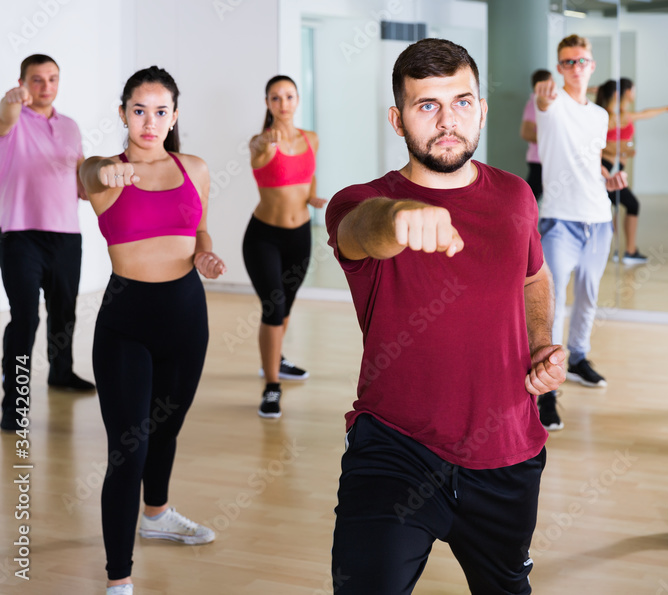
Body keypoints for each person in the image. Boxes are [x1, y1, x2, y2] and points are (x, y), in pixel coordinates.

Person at [326, 38, 564, 594]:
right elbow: (359, 231)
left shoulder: (515, 197)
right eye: (426, 105)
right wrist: (399, 214)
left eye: (461, 102)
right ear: (398, 119)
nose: (447, 120)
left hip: (507, 450)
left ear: (481, 109)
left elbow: (534, 276)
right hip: (395, 448)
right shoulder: (360, 201)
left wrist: (540, 343)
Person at [79, 66, 224, 595]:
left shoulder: (195, 167)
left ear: (174, 116)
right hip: (126, 323)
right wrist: (103, 169)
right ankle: (120, 580)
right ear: (123, 114)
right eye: (139, 110)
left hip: (187, 315)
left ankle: (157, 514)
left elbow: (200, 221)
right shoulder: (108, 174)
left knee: (166, 428)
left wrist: (205, 249)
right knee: (129, 449)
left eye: (161, 111)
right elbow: (86, 174)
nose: (149, 121)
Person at [533, 35, 627, 431]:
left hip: (599, 220)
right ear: (558, 68)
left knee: (589, 292)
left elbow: (589, 161)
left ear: (591, 66)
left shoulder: (600, 116)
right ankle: (548, 391)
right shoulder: (551, 104)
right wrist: (541, 95)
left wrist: (607, 178)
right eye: (567, 62)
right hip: (559, 222)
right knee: (552, 306)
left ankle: (577, 357)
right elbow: (542, 103)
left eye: (581, 61)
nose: (575, 67)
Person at [0, 54, 94, 432]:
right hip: (20, 236)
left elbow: (81, 181)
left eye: (52, 78)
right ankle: (15, 404)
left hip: (67, 236)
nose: (45, 86)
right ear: (23, 83)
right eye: (36, 80)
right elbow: (5, 114)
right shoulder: (12, 121)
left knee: (64, 311)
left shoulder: (70, 126)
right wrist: (10, 102)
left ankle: (62, 372)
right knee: (25, 318)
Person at [245, 75, 326, 418]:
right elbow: (258, 154)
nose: (283, 103)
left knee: (286, 307)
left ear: (297, 100)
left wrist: (312, 197)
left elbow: (310, 176)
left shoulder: (311, 139)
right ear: (267, 103)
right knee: (273, 309)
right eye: (275, 98)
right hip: (264, 237)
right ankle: (271, 387)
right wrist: (267, 143)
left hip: (300, 236)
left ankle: (274, 361)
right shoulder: (260, 141)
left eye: (288, 96)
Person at [595, 77, 668, 265]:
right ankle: (628, 251)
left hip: (616, 169)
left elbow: (645, 114)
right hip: (606, 169)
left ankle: (621, 250)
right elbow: (597, 146)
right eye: (632, 89)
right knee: (631, 205)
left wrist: (665, 109)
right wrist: (622, 150)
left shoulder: (623, 115)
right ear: (623, 92)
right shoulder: (610, 117)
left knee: (619, 206)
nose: (634, 93)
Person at [520, 69, 551, 201]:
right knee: (530, 199)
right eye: (552, 81)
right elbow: (526, 133)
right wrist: (550, 140)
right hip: (538, 160)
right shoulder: (534, 104)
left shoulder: (545, 103)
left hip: (544, 159)